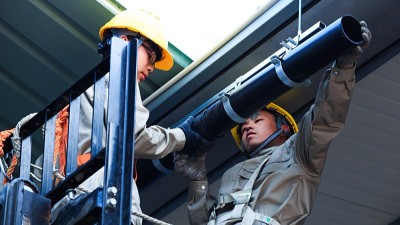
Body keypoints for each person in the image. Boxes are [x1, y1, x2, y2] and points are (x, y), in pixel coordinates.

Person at [174, 21, 372, 225]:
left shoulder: (298, 154)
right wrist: (197, 182)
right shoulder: (231, 175)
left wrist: (344, 68)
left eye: (257, 119)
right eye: (242, 129)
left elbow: (326, 118)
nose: (247, 127)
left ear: (284, 128)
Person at [49, 8, 209, 225]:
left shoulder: (87, 90)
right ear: (124, 42)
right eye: (150, 55)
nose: (152, 67)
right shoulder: (119, 78)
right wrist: (181, 138)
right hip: (103, 199)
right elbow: (135, 138)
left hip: (70, 202)